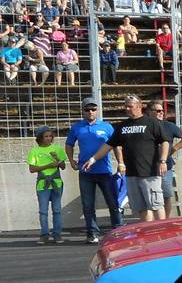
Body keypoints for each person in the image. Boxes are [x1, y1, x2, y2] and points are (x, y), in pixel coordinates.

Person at [83, 94, 170, 222]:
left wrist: (162, 161)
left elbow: (165, 142)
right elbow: (108, 145)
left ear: (139, 106)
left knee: (156, 205)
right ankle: (148, 233)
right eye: (126, 106)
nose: (127, 109)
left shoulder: (152, 123)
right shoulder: (122, 126)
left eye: (130, 106)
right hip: (131, 174)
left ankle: (162, 231)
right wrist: (93, 159)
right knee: (141, 207)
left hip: (149, 173)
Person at [65, 98, 123, 244]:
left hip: (105, 171)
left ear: (97, 110)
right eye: (87, 109)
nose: (90, 112)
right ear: (83, 111)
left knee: (113, 202)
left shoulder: (107, 127)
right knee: (88, 205)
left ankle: (118, 231)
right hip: (86, 173)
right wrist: (71, 160)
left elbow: (116, 146)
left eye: (93, 109)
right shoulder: (77, 127)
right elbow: (69, 144)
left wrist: (121, 163)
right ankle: (92, 233)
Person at [146, 99, 182, 218]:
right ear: (149, 112)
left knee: (166, 195)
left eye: (162, 111)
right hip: (148, 167)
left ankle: (164, 222)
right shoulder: (145, 126)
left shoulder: (169, 126)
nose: (161, 113)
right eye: (158, 110)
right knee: (151, 196)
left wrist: (173, 149)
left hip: (166, 167)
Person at [28, 125, 68, 244]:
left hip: (56, 183)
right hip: (42, 184)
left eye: (50, 136)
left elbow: (63, 167)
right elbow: (32, 168)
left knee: (57, 210)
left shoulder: (57, 149)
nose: (49, 138)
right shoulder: (35, 151)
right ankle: (44, 234)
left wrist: (57, 159)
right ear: (40, 137)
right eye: (46, 136)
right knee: (43, 211)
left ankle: (57, 234)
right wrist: (47, 166)